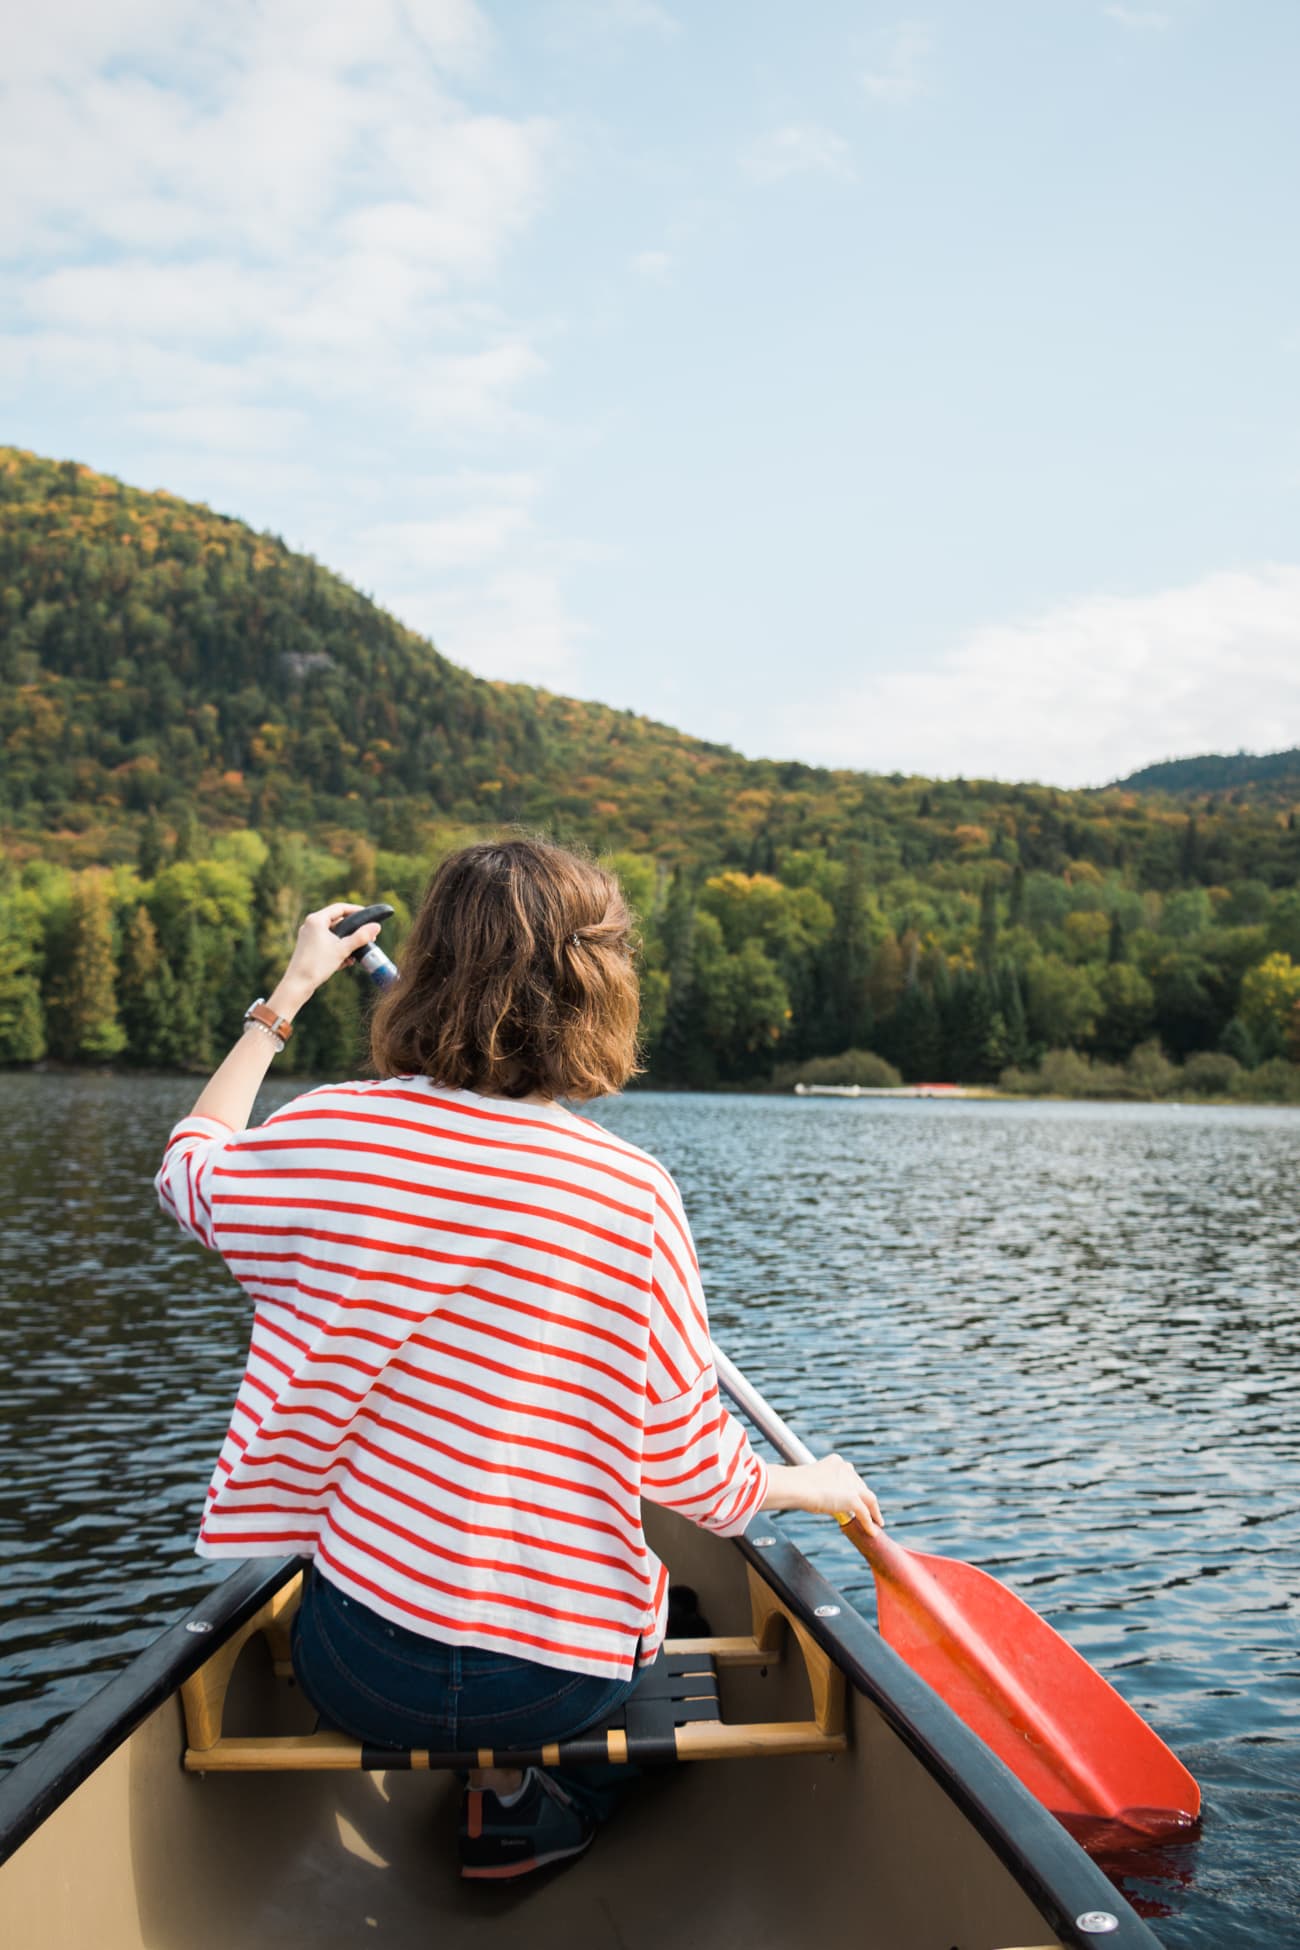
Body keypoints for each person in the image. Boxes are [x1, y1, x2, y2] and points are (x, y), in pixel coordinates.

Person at [156, 837, 883, 1879]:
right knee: (666, 1610)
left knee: (411, 1596)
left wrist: (286, 997)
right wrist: (816, 1484)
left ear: (430, 970)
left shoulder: (330, 1131)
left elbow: (189, 1173)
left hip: (358, 1671)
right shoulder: (632, 1194)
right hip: (553, 1686)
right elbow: (698, 1482)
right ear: (601, 990)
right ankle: (523, 1799)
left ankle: (504, 1793)